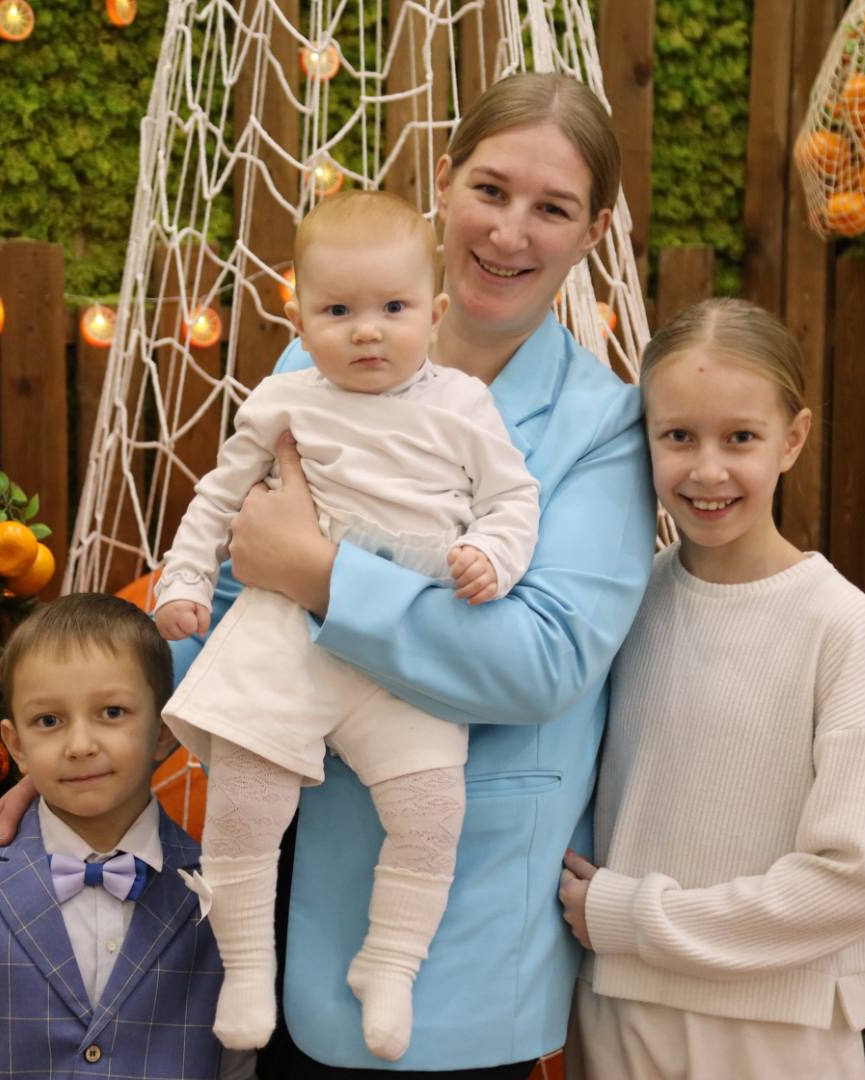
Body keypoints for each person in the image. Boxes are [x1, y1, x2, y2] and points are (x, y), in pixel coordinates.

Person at [0, 70, 657, 1077]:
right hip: (275, 891)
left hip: (455, 933)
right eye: (490, 189)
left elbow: (543, 662)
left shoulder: (603, 427)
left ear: (594, 231)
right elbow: (225, 606)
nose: (510, 231)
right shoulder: (311, 370)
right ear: (444, 180)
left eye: (552, 208)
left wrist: (325, 575)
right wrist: (83, 752)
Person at [150, 190, 541, 1061]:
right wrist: (184, 579)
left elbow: (514, 499)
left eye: (393, 308)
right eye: (337, 311)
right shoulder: (284, 399)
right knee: (246, 796)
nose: (367, 331)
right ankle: (246, 966)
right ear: (298, 318)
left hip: (407, 642)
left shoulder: (464, 404)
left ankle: (390, 963)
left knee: (432, 810)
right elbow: (217, 499)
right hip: (287, 629)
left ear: (434, 314)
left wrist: (492, 553)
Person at [558, 299, 865, 1079]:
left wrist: (634, 916)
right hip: (618, 1018)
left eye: (740, 438)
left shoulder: (838, 625)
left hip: (777, 1035)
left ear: (793, 439)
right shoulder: (623, 602)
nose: (707, 470)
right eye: (678, 436)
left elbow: (857, 883)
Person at [0, 593, 255, 1080]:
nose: (80, 746)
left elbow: (236, 1066)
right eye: (49, 721)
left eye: (112, 712)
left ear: (164, 731)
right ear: (17, 745)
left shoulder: (219, 895)